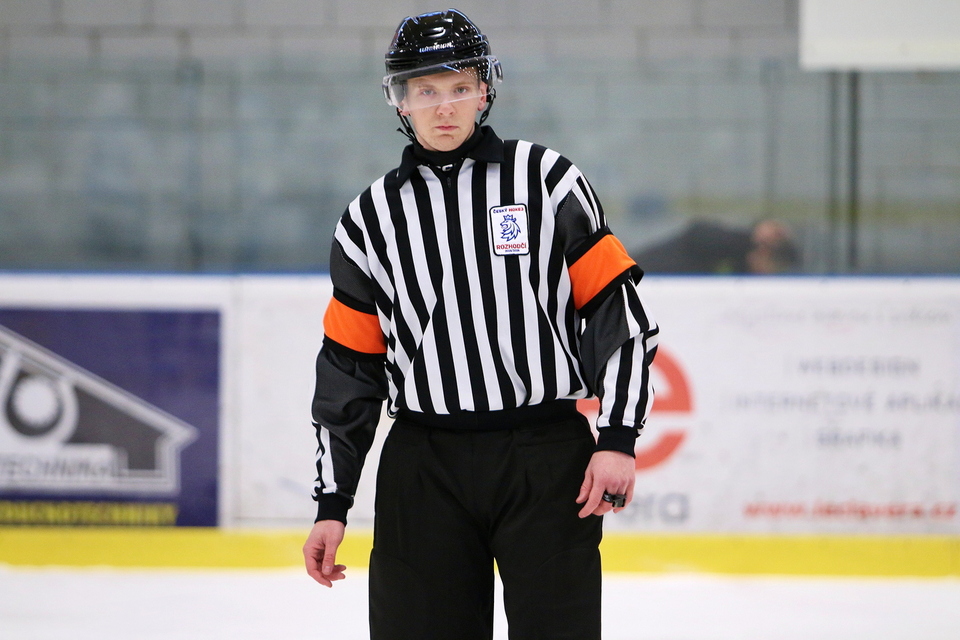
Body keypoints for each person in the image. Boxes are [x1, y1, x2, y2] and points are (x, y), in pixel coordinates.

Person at [303, 9, 659, 640]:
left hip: (545, 458)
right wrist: (333, 502)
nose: (445, 107)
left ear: (484, 90)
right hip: (423, 466)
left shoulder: (548, 181)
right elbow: (348, 368)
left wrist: (618, 438)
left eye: (459, 87)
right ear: (400, 100)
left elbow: (618, 314)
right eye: (426, 90)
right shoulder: (368, 219)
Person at [631, 218, 800, 274]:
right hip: (643, 277)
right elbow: (698, 233)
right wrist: (752, 236)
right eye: (771, 267)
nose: (766, 273)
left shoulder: (743, 271)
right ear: (764, 253)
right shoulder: (729, 244)